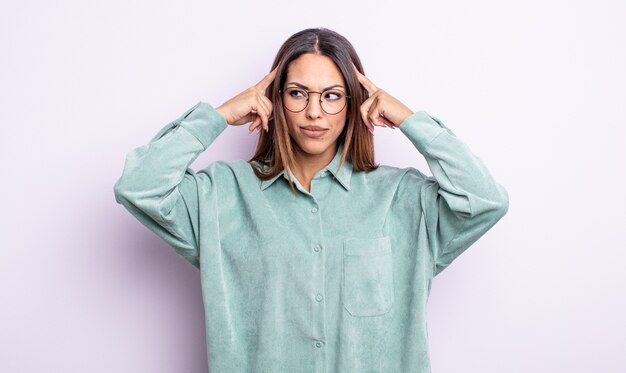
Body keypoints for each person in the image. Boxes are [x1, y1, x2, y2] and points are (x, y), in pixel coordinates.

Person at [113, 27, 509, 373]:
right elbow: (139, 187)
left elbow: (485, 199)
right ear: (275, 98)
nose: (314, 112)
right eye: (297, 93)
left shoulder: (404, 199)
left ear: (353, 103)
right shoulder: (221, 194)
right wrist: (218, 116)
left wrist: (409, 119)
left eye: (333, 95)